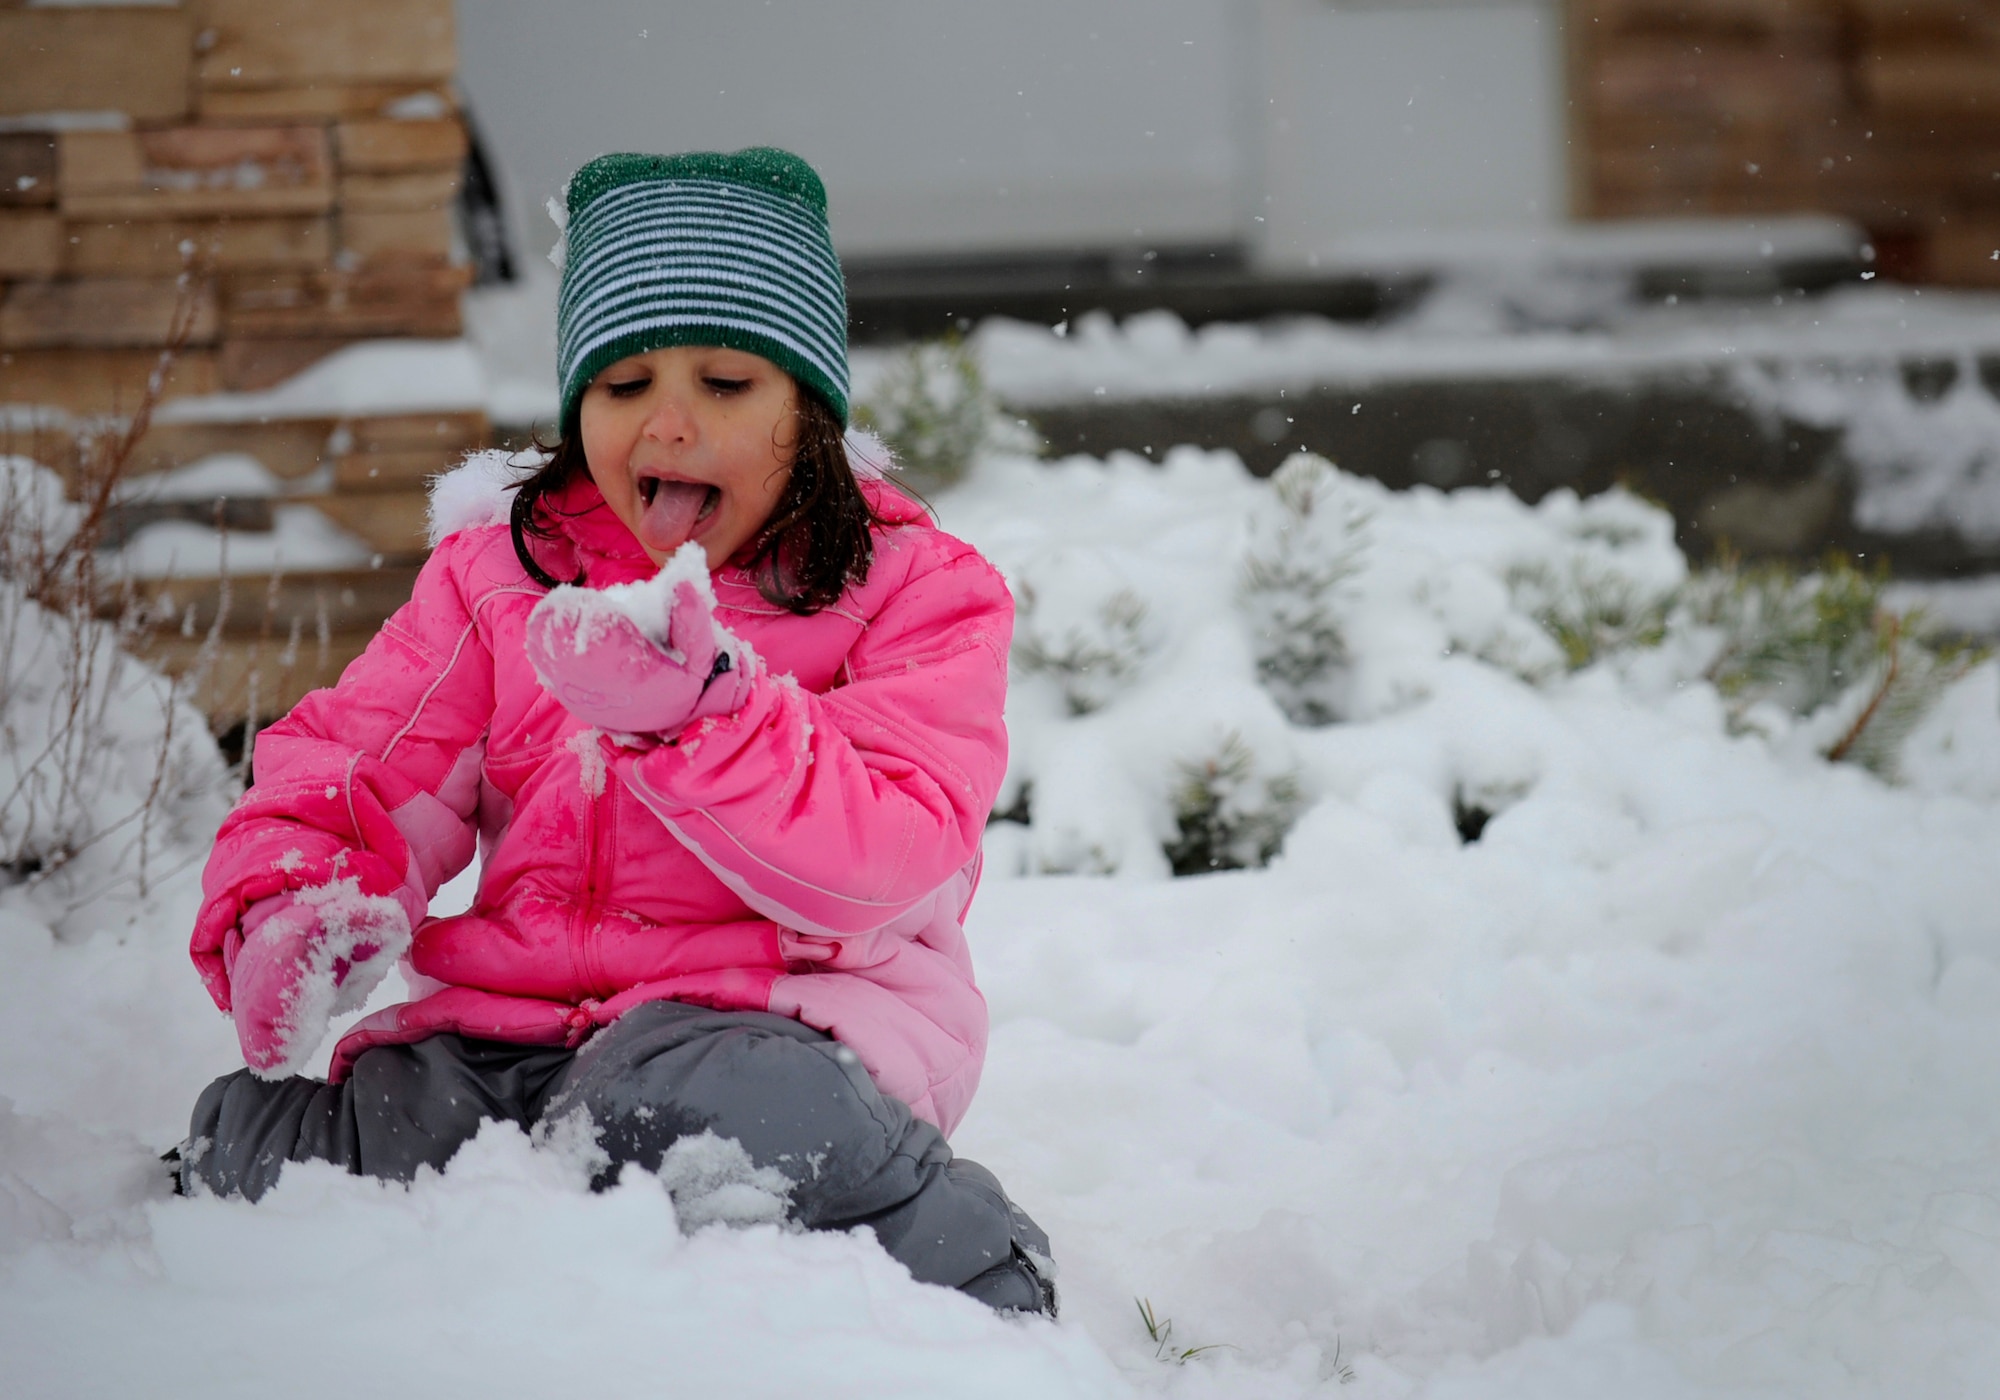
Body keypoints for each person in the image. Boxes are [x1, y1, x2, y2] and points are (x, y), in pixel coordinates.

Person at [175, 148, 1055, 1316]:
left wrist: (707, 722)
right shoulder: (501, 577)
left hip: (778, 1029)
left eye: (727, 382)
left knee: (702, 1116)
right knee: (344, 1135)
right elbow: (361, 759)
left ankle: (965, 1258)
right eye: (624, 382)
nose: (669, 423)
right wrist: (299, 896)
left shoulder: (909, 590)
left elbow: (882, 859)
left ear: (812, 407)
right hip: (514, 1033)